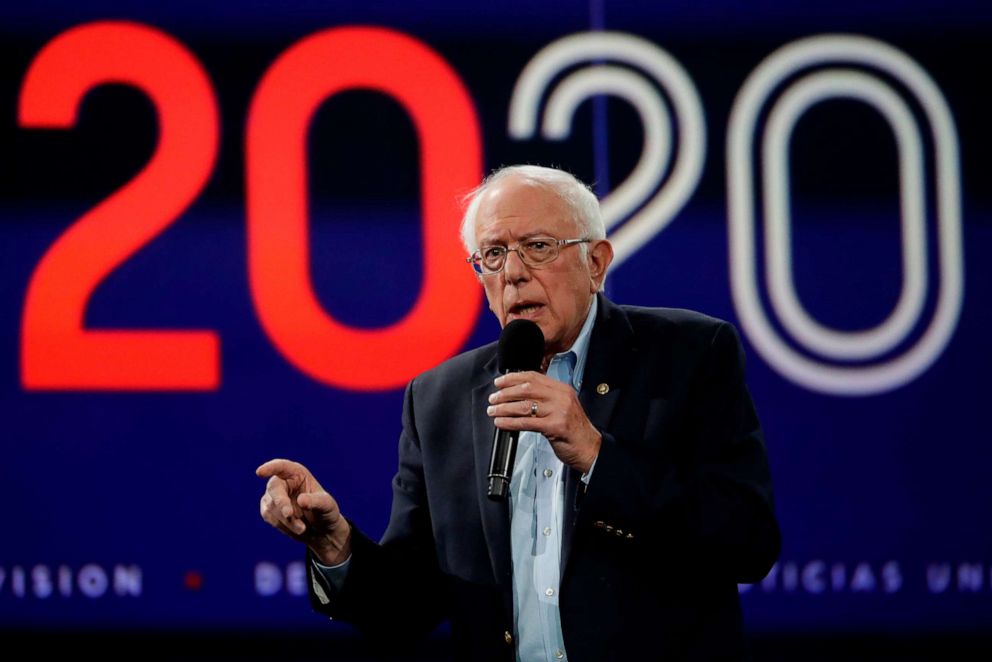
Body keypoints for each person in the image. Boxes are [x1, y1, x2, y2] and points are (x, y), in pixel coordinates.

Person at [257, 165, 780, 661]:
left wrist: (597, 455)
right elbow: (405, 608)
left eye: (537, 248)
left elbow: (747, 544)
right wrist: (334, 541)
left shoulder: (687, 356)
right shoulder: (439, 398)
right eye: (492, 254)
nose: (512, 273)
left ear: (595, 263)